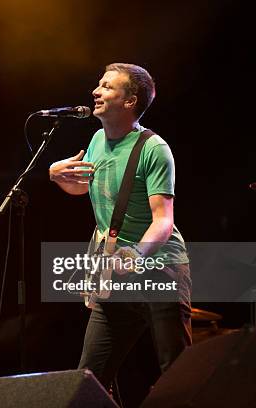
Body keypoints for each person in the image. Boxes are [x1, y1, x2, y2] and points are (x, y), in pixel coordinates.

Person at [48, 63, 192, 394]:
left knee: (177, 372)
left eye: (107, 87)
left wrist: (135, 253)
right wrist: (58, 178)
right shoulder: (98, 139)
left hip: (159, 269)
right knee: (89, 377)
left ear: (130, 101)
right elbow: (92, 191)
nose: (95, 92)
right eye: (98, 85)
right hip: (116, 274)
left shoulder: (154, 149)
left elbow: (163, 220)